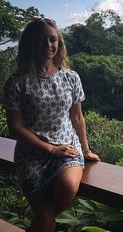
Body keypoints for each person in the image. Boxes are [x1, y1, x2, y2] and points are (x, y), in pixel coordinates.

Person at [3, 17, 100, 232]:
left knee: (66, 187)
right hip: (32, 153)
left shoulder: (71, 78)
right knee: (45, 216)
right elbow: (15, 126)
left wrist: (85, 149)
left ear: (59, 43)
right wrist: (50, 149)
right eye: (41, 40)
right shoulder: (17, 82)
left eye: (52, 39)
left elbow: (77, 118)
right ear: (29, 44)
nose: (49, 45)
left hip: (67, 146)